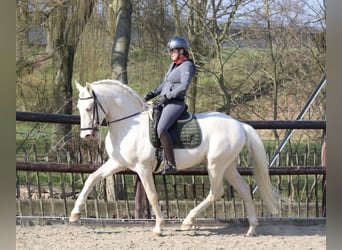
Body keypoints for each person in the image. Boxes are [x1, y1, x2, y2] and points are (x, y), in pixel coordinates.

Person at [143, 37, 196, 174]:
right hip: (164, 101)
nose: (170, 53)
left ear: (181, 50)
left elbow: (183, 86)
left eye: (172, 51)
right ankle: (158, 153)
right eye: (170, 51)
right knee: (151, 122)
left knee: (161, 128)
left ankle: (171, 164)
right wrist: (152, 93)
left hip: (175, 103)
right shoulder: (174, 65)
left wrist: (166, 97)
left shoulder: (187, 65)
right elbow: (165, 84)